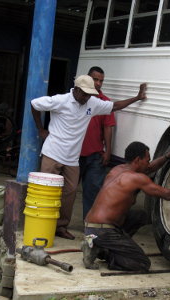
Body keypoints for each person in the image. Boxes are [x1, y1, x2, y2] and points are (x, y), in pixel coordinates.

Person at [31, 75, 147, 240]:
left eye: (90, 94)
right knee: (47, 193)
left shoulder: (92, 103)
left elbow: (115, 106)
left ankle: (60, 227)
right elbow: (34, 104)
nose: (87, 97)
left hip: (72, 158)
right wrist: (41, 129)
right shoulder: (60, 100)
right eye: (85, 94)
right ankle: (43, 226)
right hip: (53, 154)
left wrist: (137, 97)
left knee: (69, 194)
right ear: (76, 90)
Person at [82, 138, 170, 271]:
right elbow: (168, 194)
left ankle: (100, 245)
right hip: (103, 230)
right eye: (147, 159)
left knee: (140, 216)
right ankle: (101, 251)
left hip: (91, 226)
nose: (149, 163)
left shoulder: (117, 170)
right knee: (141, 263)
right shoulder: (136, 179)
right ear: (137, 160)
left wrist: (167, 156)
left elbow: (150, 168)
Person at [79, 66, 115, 220]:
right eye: (95, 79)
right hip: (73, 154)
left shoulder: (104, 102)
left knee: (93, 191)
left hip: (95, 155)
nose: (99, 83)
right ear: (88, 78)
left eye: (101, 81)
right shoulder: (76, 98)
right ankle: (59, 225)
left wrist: (107, 151)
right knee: (67, 190)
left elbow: (108, 127)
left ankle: (89, 225)